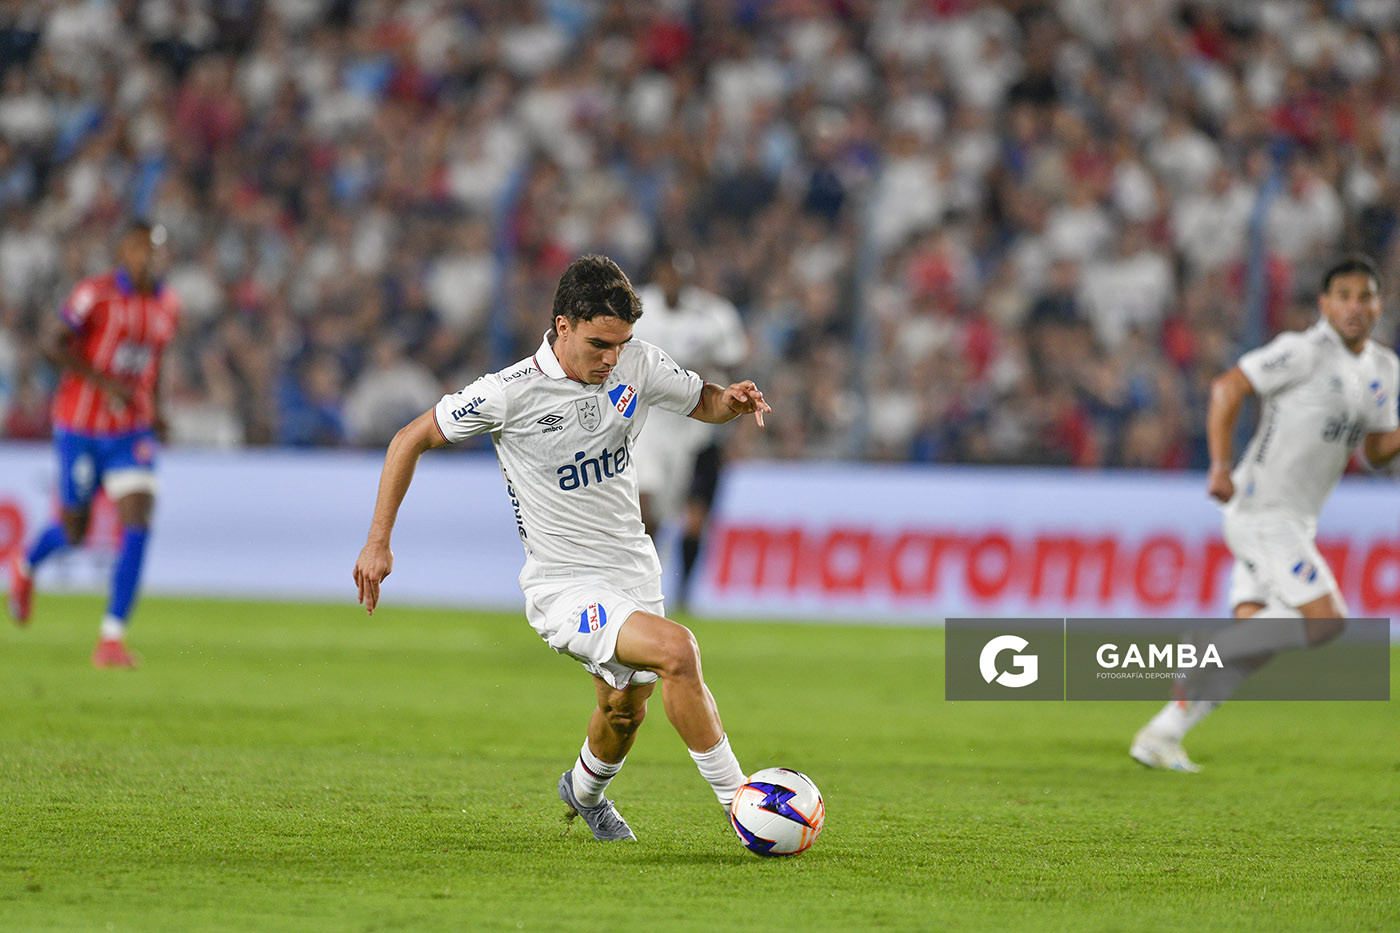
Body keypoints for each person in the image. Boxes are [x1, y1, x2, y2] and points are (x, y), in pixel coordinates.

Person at [352, 255, 771, 841]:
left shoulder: (637, 362)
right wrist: (378, 542)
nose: (612, 358)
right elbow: (408, 439)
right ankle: (743, 807)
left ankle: (583, 792)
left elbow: (701, 399)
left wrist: (732, 402)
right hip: (564, 584)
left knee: (624, 710)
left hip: (633, 566)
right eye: (600, 344)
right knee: (678, 650)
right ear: (563, 326)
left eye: (620, 344)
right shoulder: (508, 393)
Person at [1131, 255, 1400, 771]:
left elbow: (1376, 451)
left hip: (1297, 520)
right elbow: (1227, 387)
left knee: (1255, 644)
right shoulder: (1302, 351)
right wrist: (1219, 466)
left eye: (1365, 296)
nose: (1354, 307)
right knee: (1326, 621)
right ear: (1324, 304)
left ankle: (1161, 735)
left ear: (1379, 304)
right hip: (1262, 511)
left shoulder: (1383, 368)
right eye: (1343, 296)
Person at [6, 221, 181, 668]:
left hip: (132, 430)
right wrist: (104, 383)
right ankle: (25, 566)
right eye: (140, 249)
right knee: (75, 530)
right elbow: (52, 346)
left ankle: (111, 638)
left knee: (138, 519)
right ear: (124, 251)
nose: (147, 258)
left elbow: (155, 361)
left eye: (154, 251)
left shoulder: (167, 304)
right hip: (80, 426)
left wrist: (157, 409)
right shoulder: (94, 294)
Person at [632, 248, 749, 606]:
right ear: (658, 273)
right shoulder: (635, 309)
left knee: (693, 517)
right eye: (668, 273)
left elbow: (733, 368)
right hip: (647, 423)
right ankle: (643, 587)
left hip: (695, 426)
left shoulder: (714, 316)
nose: (673, 281)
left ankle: (684, 592)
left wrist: (735, 421)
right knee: (646, 511)